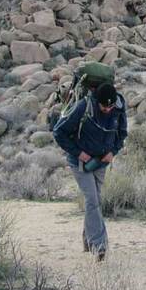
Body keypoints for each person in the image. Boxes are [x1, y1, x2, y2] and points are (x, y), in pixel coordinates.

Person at [53, 82, 128, 260]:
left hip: (101, 163)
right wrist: (79, 153)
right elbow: (59, 132)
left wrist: (113, 151)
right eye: (104, 107)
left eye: (110, 107)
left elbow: (122, 134)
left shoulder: (118, 108)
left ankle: (88, 240)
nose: (107, 110)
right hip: (80, 162)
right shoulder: (83, 106)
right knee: (92, 201)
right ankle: (99, 247)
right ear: (96, 101)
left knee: (95, 202)